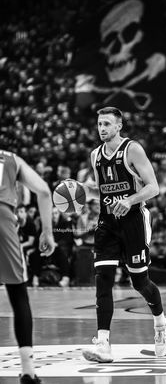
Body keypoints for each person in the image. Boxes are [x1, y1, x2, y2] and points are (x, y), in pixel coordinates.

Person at [81, 106, 166, 363]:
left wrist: (130, 200)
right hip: (107, 222)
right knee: (103, 279)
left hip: (134, 221)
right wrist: (80, 191)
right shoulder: (95, 156)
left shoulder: (132, 149)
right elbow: (102, 189)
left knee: (140, 282)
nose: (102, 129)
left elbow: (153, 187)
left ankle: (160, 324)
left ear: (119, 126)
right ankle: (103, 343)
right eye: (99, 124)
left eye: (107, 124)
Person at [0, 149, 56, 384]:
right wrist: (47, 231)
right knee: (18, 293)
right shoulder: (10, 158)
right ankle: (27, 370)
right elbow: (43, 190)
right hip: (2, 216)